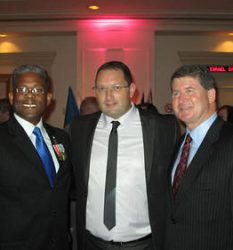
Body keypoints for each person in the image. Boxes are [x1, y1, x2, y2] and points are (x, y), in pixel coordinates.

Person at [70, 61, 180, 250]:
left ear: (131, 90)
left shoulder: (163, 128)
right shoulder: (80, 128)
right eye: (101, 88)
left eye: (116, 87)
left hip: (144, 244)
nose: (108, 95)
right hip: (91, 243)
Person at [0, 64, 72, 250]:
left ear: (48, 98)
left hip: (59, 243)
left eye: (37, 90)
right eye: (22, 89)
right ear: (11, 96)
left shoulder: (61, 138)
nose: (30, 95)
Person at [165, 64, 233, 250]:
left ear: (211, 95)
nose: (181, 99)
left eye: (189, 90)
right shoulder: (178, 144)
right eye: (175, 93)